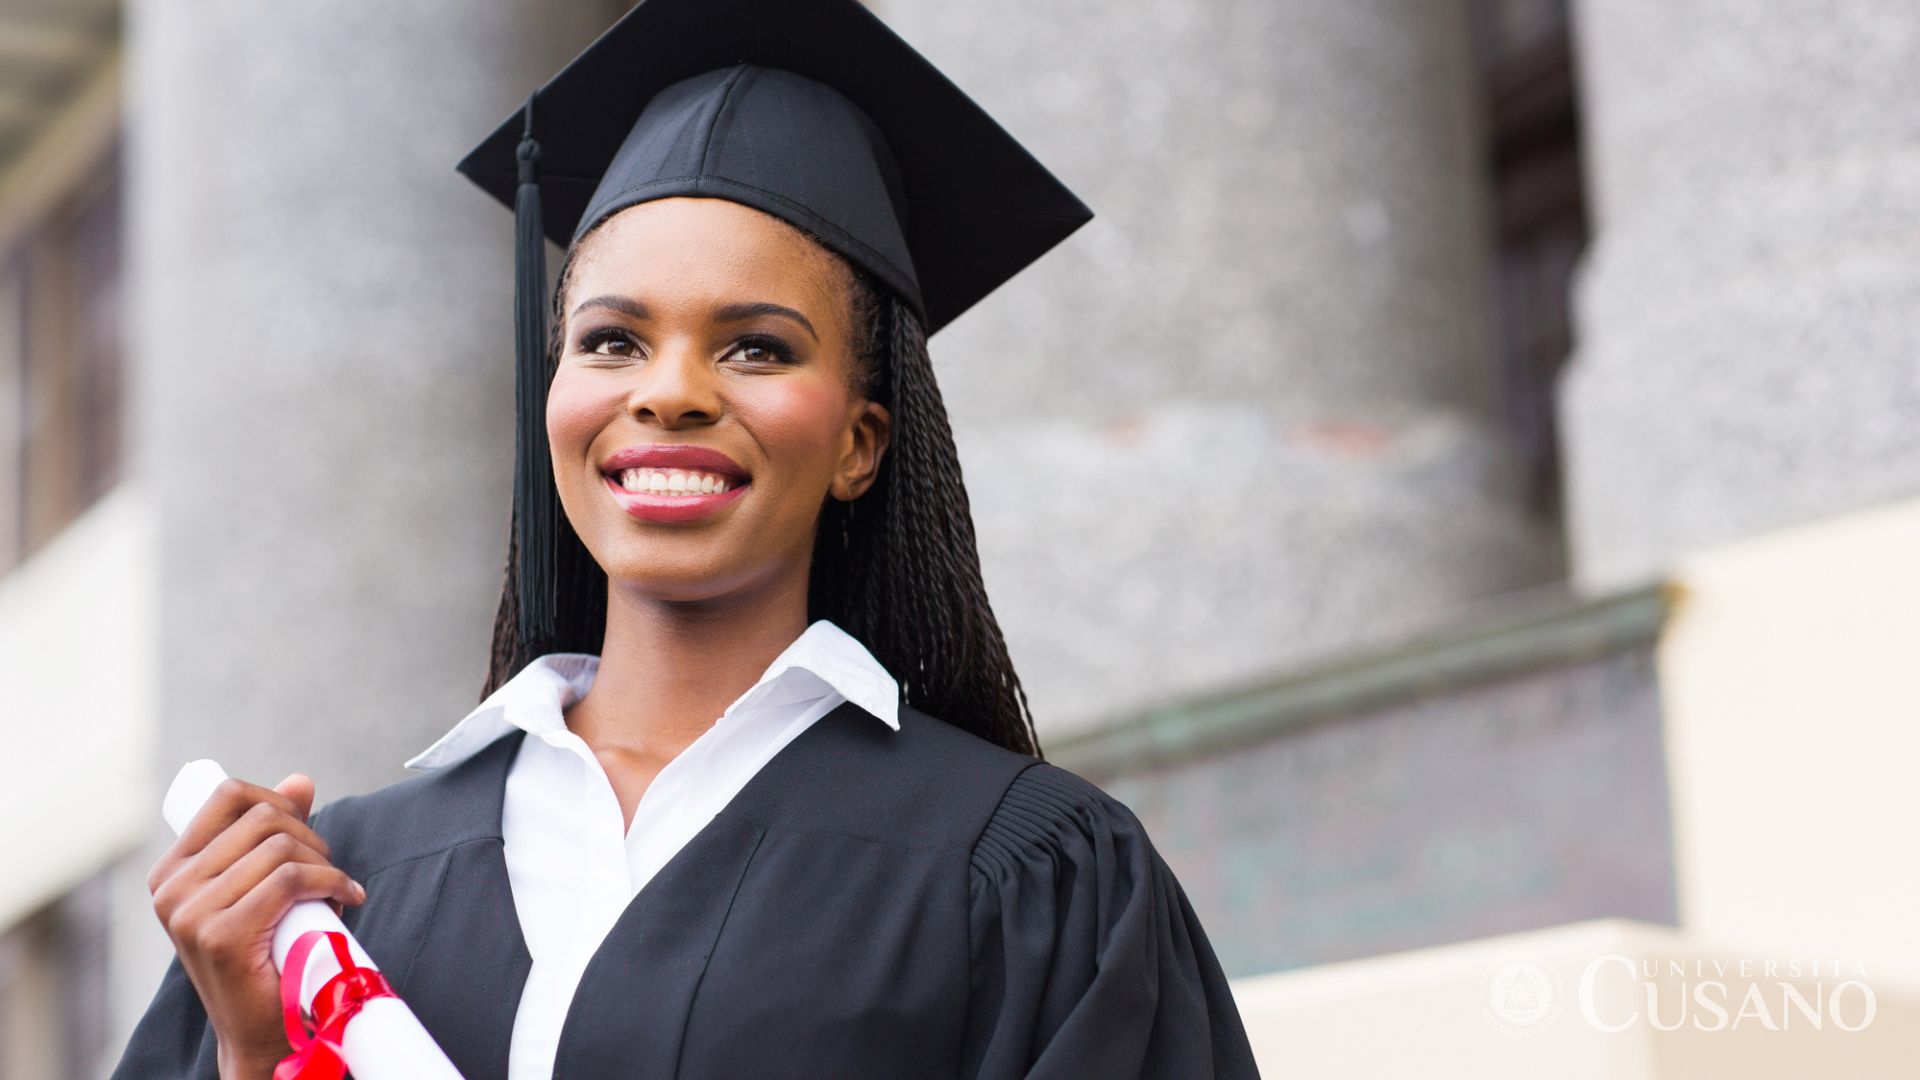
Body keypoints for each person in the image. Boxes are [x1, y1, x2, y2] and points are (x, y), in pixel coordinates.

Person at [114, 0, 1262, 1077]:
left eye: (757, 347)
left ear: (863, 442)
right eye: (612, 340)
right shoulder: (340, 891)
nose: (669, 393)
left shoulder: (1030, 875)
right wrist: (263, 1056)